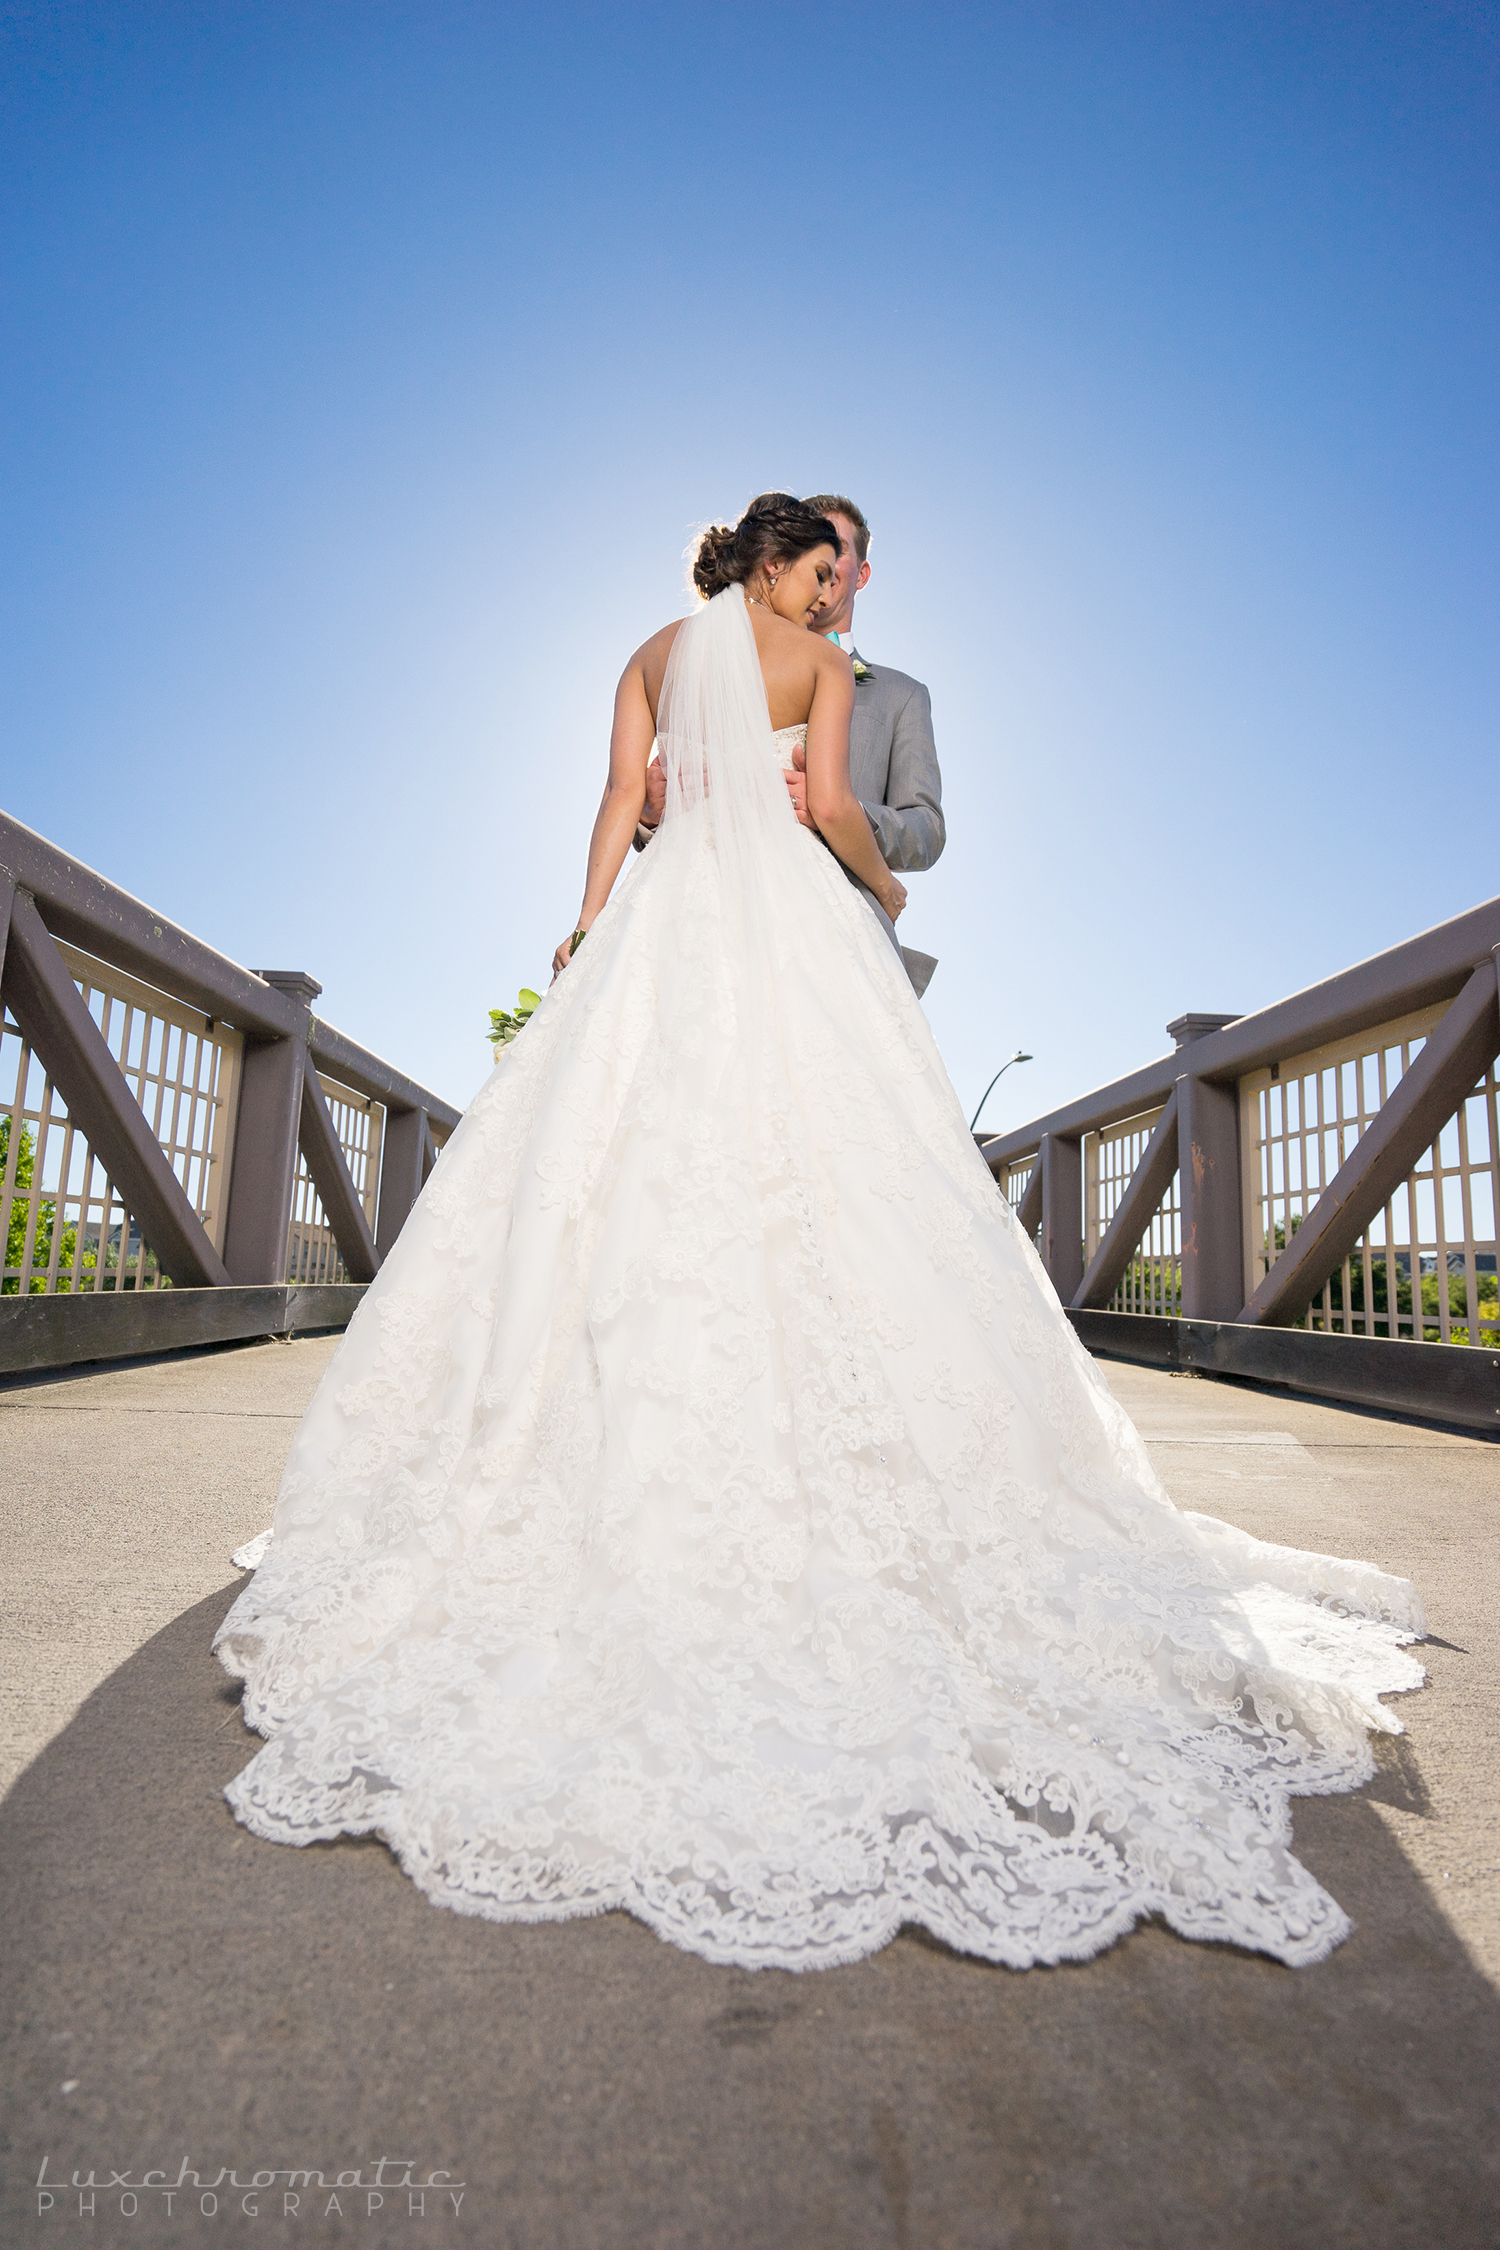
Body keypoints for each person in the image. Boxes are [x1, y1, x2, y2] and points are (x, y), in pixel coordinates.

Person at [217, 493, 1425, 1975]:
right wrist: (887, 879)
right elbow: (845, 812)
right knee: (838, 1154)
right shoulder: (820, 661)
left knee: (623, 1151)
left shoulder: (653, 651)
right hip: (795, 921)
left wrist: (589, 925)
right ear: (787, 567)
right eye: (822, 564)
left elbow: (616, 803)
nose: (834, 584)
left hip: (666, 923)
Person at [635, 494, 944, 996]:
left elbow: (927, 829)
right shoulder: (704, 657)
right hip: (701, 927)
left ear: (859, 572)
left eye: (836, 552)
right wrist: (649, 814)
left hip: (838, 950)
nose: (823, 578)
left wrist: (843, 812)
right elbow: (651, 790)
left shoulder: (901, 695)